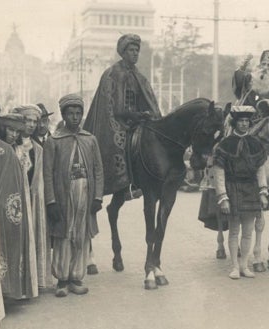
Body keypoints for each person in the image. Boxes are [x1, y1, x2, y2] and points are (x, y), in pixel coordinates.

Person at [83, 33, 161, 197]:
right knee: (124, 142)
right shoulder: (113, 73)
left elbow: (147, 100)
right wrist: (139, 115)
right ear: (123, 52)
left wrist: (150, 115)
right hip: (118, 122)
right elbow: (117, 109)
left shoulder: (139, 75)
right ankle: (126, 184)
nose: (135, 53)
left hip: (137, 120)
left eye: (136, 50)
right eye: (131, 50)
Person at [44, 94, 104, 297]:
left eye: (79, 113)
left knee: (81, 234)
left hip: (85, 193)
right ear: (64, 115)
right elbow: (47, 174)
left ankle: (76, 276)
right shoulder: (54, 141)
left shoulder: (90, 139)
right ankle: (62, 279)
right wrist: (51, 201)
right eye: (71, 113)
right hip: (63, 195)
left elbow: (98, 170)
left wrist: (98, 197)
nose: (75, 117)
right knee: (63, 235)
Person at [213, 105, 269, 279]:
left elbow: (261, 170)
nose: (244, 124)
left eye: (246, 121)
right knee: (234, 230)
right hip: (233, 188)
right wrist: (223, 197)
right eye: (241, 121)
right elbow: (219, 172)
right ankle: (235, 267)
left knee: (248, 231)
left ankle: (245, 265)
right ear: (235, 123)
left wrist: (263, 192)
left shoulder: (255, 144)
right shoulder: (225, 144)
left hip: (251, 189)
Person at [0, 115, 38, 300]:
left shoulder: (19, 150)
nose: (13, 135)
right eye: (10, 130)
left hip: (17, 199)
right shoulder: (3, 151)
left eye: (16, 131)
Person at [11, 105, 52, 289]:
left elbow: (40, 179)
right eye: (27, 120)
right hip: (13, 199)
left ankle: (32, 283)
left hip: (32, 200)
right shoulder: (10, 146)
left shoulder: (38, 149)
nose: (31, 125)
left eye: (34, 121)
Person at [232, 50, 269, 119]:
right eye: (263, 64)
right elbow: (238, 82)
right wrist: (244, 65)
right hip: (246, 118)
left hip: (267, 120)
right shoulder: (249, 78)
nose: (265, 68)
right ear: (259, 65)